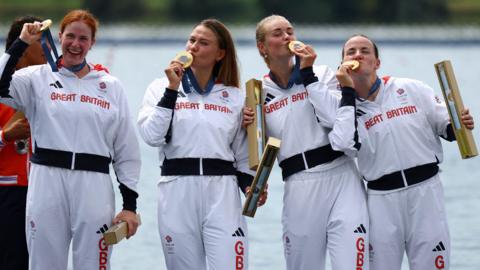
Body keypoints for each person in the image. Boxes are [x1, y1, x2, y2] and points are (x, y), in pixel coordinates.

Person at [0, 9, 141, 270]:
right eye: (70, 37)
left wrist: (129, 206)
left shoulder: (110, 85)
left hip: (94, 184)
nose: (75, 44)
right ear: (60, 37)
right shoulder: (36, 78)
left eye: (83, 39)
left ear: (92, 43)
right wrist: (21, 43)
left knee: (93, 264)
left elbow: (126, 149)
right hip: (47, 182)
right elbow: (1, 84)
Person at [326, 34, 475, 270]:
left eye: (365, 50)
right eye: (351, 52)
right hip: (381, 199)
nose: (358, 55)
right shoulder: (341, 106)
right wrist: (347, 93)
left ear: (377, 62)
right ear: (342, 64)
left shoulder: (411, 88)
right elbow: (345, 145)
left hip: (425, 192)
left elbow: (446, 128)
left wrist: (461, 123)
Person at [244, 15, 369, 270]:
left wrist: (308, 74)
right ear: (262, 47)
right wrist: (254, 181)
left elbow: (337, 119)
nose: (287, 37)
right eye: (278, 33)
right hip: (298, 185)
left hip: (342, 177)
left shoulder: (322, 74)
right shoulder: (257, 93)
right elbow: (256, 151)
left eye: (290, 31)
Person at [137, 18, 264, 270]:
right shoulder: (160, 87)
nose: (193, 47)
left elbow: (241, 154)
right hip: (177, 191)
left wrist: (252, 184)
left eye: (203, 43)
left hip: (223, 193)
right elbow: (152, 136)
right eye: (192, 40)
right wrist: (172, 90)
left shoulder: (235, 96)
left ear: (220, 53)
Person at [0, 15, 46, 270]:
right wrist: (5, 136)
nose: (51, 49)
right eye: (43, 41)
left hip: (43, 191)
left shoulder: (49, 85)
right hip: (8, 192)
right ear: (24, 46)